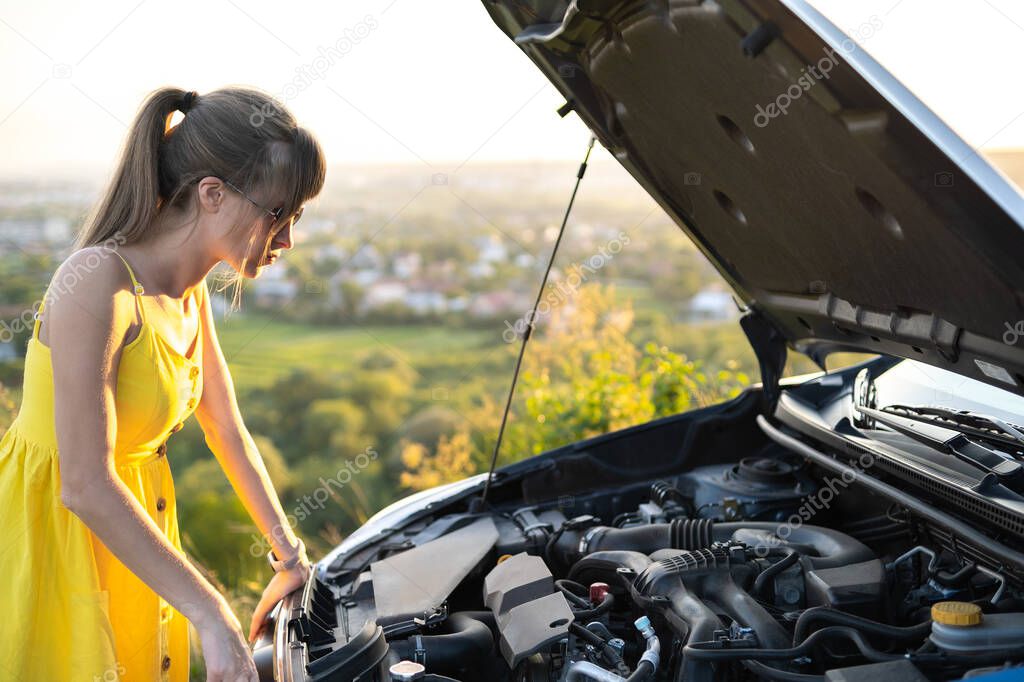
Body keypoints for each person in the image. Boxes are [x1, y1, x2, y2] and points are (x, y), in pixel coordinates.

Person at [0, 86, 326, 681]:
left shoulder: (187, 292)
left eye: (296, 217)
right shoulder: (98, 281)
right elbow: (83, 484)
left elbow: (225, 427)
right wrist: (213, 612)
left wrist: (290, 556)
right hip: (53, 546)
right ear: (212, 194)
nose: (287, 240)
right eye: (278, 213)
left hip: (135, 542)